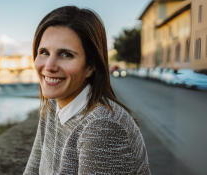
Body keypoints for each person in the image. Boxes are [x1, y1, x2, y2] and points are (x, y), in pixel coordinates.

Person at [24, 6, 150, 175]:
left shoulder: (102, 128)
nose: (49, 66)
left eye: (66, 55)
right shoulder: (53, 105)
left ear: (91, 66)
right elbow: (33, 169)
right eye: (44, 52)